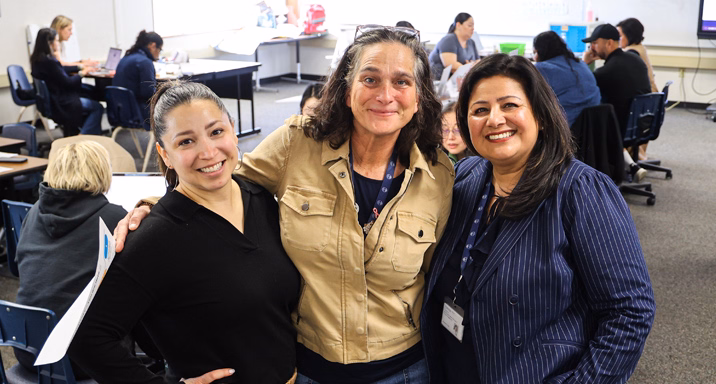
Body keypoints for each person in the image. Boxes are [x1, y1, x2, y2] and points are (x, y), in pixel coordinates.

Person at [115, 27, 455, 384]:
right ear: (347, 92)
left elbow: (435, 279)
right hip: (310, 369)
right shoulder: (298, 143)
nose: (385, 95)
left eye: (402, 82)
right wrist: (155, 206)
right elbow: (221, 177)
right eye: (370, 79)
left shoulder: (438, 176)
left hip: (405, 371)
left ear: (418, 97)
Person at [421, 54, 655, 383]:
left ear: (540, 117)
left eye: (510, 105)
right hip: (455, 366)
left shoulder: (580, 191)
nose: (494, 119)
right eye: (480, 110)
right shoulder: (468, 175)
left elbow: (630, 312)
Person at [69, 81, 300, 384]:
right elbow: (87, 340)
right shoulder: (154, 237)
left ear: (233, 129)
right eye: (186, 142)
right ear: (165, 155)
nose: (207, 151)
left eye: (216, 132)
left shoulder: (260, 197)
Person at [14, 141, 128, 380]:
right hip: (82, 356)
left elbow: (20, 268)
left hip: (27, 348)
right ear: (102, 172)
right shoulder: (114, 217)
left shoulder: (33, 212)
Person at [582, 23, 652, 181]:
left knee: (588, 118)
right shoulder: (634, 59)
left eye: (595, 43)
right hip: (641, 123)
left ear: (609, 43)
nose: (592, 48)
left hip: (621, 126)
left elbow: (583, 85)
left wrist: (584, 63)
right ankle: (630, 165)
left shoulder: (609, 70)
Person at [30, 28, 104, 136]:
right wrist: (82, 73)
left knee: (88, 94)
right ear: (50, 43)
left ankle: (79, 132)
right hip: (62, 102)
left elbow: (60, 70)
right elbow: (68, 82)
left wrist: (79, 67)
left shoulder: (38, 60)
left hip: (52, 100)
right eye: (56, 40)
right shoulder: (50, 62)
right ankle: (83, 136)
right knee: (97, 107)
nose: (58, 43)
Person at [533, 30, 601, 128]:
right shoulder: (581, 64)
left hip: (566, 130)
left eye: (535, 52)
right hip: (594, 128)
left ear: (539, 52)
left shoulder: (542, 68)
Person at [617, 17, 658, 161]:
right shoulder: (641, 48)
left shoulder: (631, 53)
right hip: (650, 102)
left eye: (620, 36)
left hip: (640, 105)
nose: (618, 39)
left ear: (629, 35)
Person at [113, 30, 163, 126]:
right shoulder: (145, 62)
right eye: (159, 49)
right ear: (153, 46)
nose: (159, 53)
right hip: (138, 112)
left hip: (121, 111)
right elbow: (148, 93)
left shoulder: (125, 58)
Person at [429, 13, 478, 78]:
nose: (473, 28)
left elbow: (478, 62)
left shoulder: (471, 42)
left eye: (473, 26)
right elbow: (452, 67)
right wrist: (470, 67)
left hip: (462, 80)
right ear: (458, 25)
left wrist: (470, 66)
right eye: (469, 25)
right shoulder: (448, 40)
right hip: (440, 82)